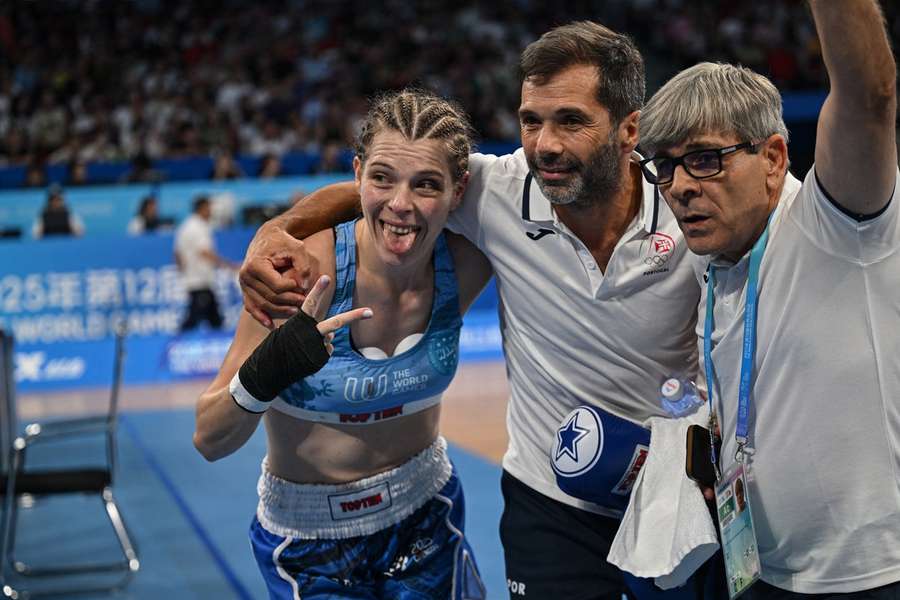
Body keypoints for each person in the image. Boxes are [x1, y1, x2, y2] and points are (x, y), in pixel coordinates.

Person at [238, 22, 712, 600]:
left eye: (570, 121)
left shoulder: (689, 205)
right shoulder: (499, 190)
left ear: (628, 129)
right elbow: (384, 189)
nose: (545, 144)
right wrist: (279, 228)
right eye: (531, 120)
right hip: (548, 502)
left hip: (674, 491)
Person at [638, 1, 898, 597]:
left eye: (705, 159)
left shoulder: (837, 225)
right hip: (763, 574)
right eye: (666, 167)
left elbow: (871, 94)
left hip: (874, 577)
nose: (680, 187)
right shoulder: (714, 264)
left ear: (775, 159)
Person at [194, 89, 491, 600]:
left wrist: (277, 223)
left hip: (429, 517)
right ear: (357, 175)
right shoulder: (300, 273)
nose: (401, 205)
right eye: (382, 178)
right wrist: (268, 370)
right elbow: (209, 438)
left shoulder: (468, 258)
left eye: (426, 184)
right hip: (310, 544)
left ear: (458, 190)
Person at [173, 195, 236, 331]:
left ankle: (221, 337)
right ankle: (177, 340)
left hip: (194, 278)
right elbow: (205, 252)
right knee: (194, 318)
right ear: (202, 208)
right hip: (200, 279)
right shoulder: (199, 227)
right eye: (209, 208)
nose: (211, 211)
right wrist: (227, 265)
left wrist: (183, 272)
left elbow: (177, 253)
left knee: (214, 318)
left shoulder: (185, 226)